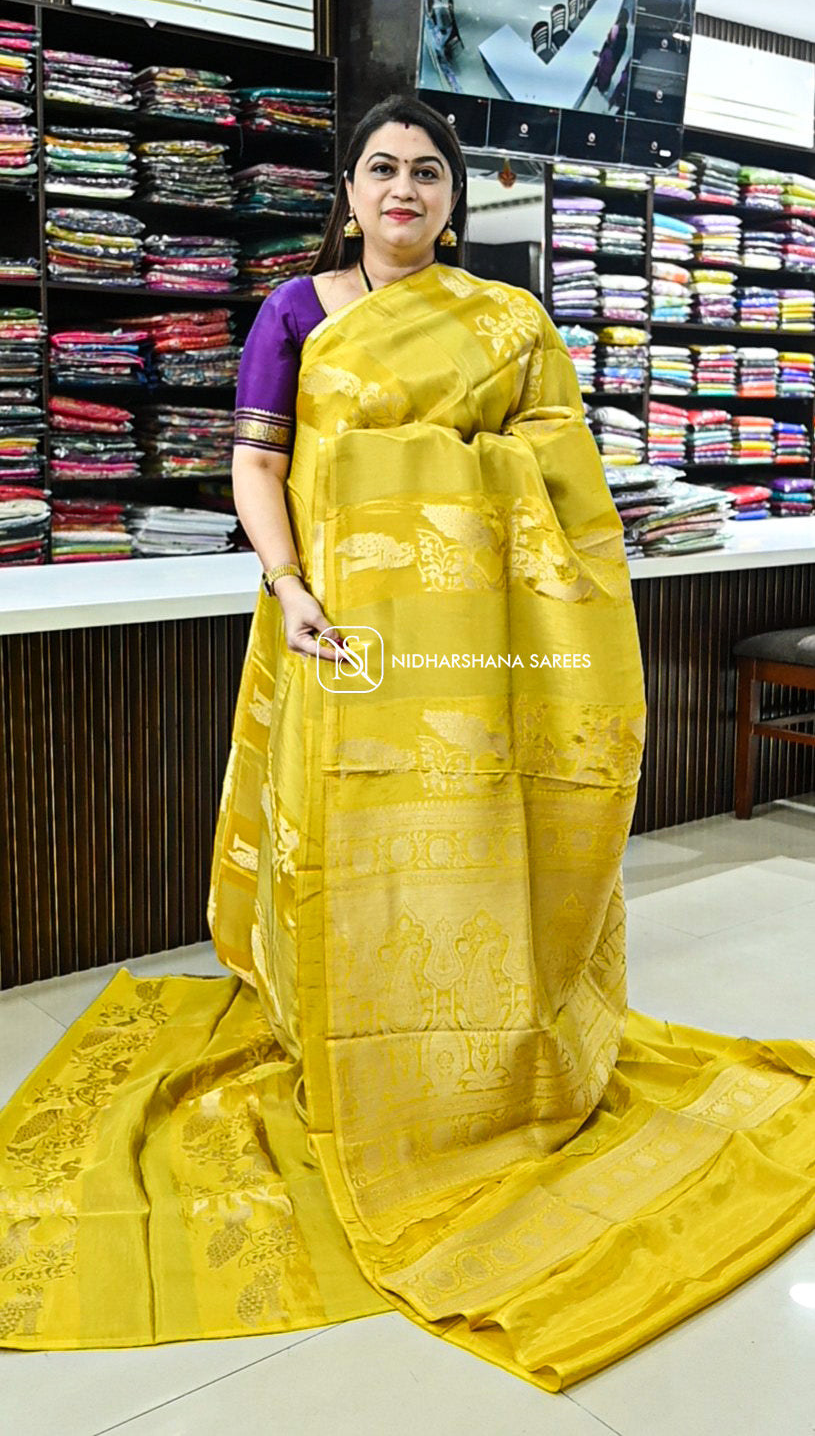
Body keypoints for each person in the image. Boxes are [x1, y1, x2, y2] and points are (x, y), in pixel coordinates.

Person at [3, 96, 815, 1396]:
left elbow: (562, 482)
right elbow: (257, 462)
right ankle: (349, 1050)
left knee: (475, 833)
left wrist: (503, 533)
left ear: (452, 197)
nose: (403, 189)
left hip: (474, 634)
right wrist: (289, 585)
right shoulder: (295, 313)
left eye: (428, 172)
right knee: (338, 843)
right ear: (350, 189)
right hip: (337, 632)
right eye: (382, 168)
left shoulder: (508, 323)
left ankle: (472, 1056)